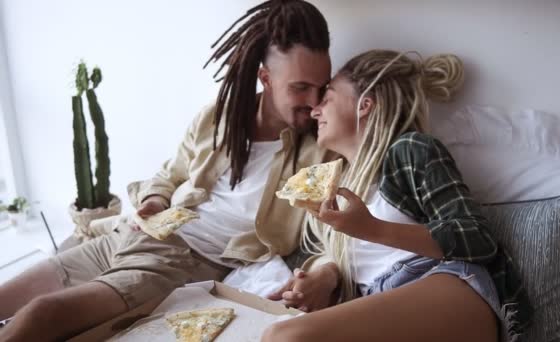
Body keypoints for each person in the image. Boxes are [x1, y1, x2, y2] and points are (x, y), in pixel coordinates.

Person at [0, 1, 332, 340]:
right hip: (139, 232)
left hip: (177, 263)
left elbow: (332, 235)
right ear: (266, 78)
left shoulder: (320, 151)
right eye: (301, 88)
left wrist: (327, 273)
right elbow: (171, 174)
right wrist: (156, 200)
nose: (315, 101)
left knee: (40, 315)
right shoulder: (218, 117)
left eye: (323, 86)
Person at [264, 50, 532, 342]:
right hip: (385, 295)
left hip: (449, 286)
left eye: (326, 98)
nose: (315, 110)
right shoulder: (342, 183)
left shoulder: (410, 149)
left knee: (285, 337)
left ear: (364, 105)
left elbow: (478, 237)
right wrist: (326, 274)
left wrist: (372, 229)